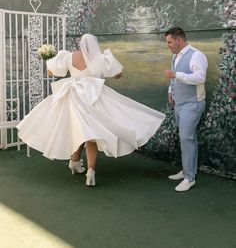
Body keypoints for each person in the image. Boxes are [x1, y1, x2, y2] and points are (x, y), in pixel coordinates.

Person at [17, 34, 165, 186]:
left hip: (72, 96)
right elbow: (117, 75)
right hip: (93, 97)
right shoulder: (99, 59)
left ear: (80, 44)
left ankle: (75, 162)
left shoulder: (68, 56)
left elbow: (52, 73)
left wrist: (49, 60)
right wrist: (113, 70)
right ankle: (90, 172)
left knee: (78, 130)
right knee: (91, 135)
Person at [163, 27, 208, 192]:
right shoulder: (175, 55)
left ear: (178, 40)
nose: (167, 45)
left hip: (193, 104)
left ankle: (189, 178)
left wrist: (176, 75)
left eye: (169, 42)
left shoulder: (197, 55)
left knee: (186, 138)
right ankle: (188, 170)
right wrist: (170, 90)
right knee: (189, 139)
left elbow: (200, 78)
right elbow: (173, 77)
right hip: (179, 104)